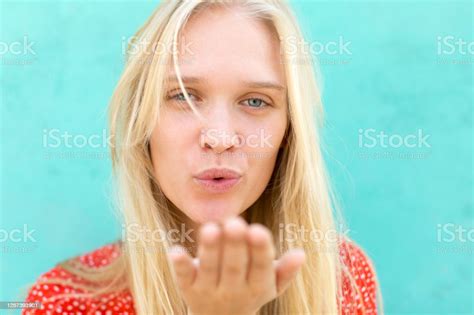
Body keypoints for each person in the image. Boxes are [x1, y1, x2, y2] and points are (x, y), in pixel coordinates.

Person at [23, 1, 381, 314]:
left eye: (255, 101)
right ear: (142, 121)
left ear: (288, 132)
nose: (220, 138)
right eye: (183, 95)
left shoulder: (342, 280)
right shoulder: (63, 302)